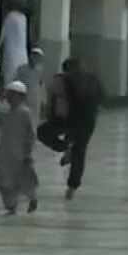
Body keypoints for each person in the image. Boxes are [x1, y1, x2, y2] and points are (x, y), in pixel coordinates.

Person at [37, 57, 103, 200]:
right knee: (79, 151)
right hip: (86, 121)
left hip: (69, 119)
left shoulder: (61, 81)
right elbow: (102, 100)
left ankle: (65, 148)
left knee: (43, 132)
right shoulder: (93, 80)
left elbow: (52, 105)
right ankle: (71, 188)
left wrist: (51, 118)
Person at [0, 80, 38, 214]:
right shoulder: (6, 113)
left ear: (21, 97)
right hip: (4, 154)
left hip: (20, 155)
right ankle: (11, 206)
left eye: (13, 95)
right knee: (3, 183)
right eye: (8, 95)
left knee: (23, 181)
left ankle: (32, 199)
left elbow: (31, 134)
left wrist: (28, 153)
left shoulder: (25, 113)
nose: (10, 98)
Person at [0, 0, 30, 99]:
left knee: (17, 75)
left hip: (19, 50)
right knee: (10, 75)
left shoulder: (22, 17)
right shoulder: (12, 16)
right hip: (12, 50)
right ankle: (8, 95)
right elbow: (4, 33)